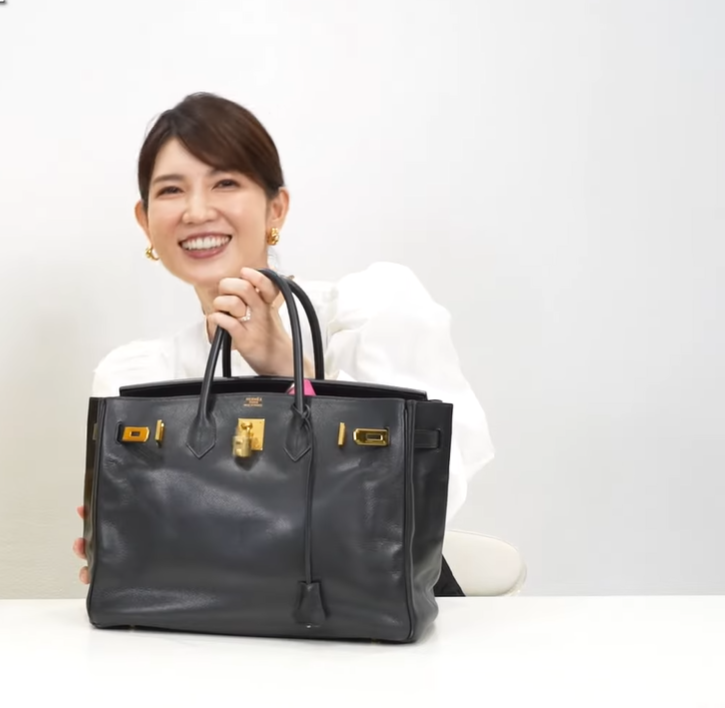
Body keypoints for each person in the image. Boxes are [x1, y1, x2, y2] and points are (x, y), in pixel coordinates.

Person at [73, 92, 495, 594]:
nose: (196, 210)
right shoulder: (137, 380)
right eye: (171, 190)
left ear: (276, 208)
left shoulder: (364, 315)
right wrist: (128, 554)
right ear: (145, 221)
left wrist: (286, 365)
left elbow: (430, 496)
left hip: (364, 627)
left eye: (225, 183)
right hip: (205, 628)